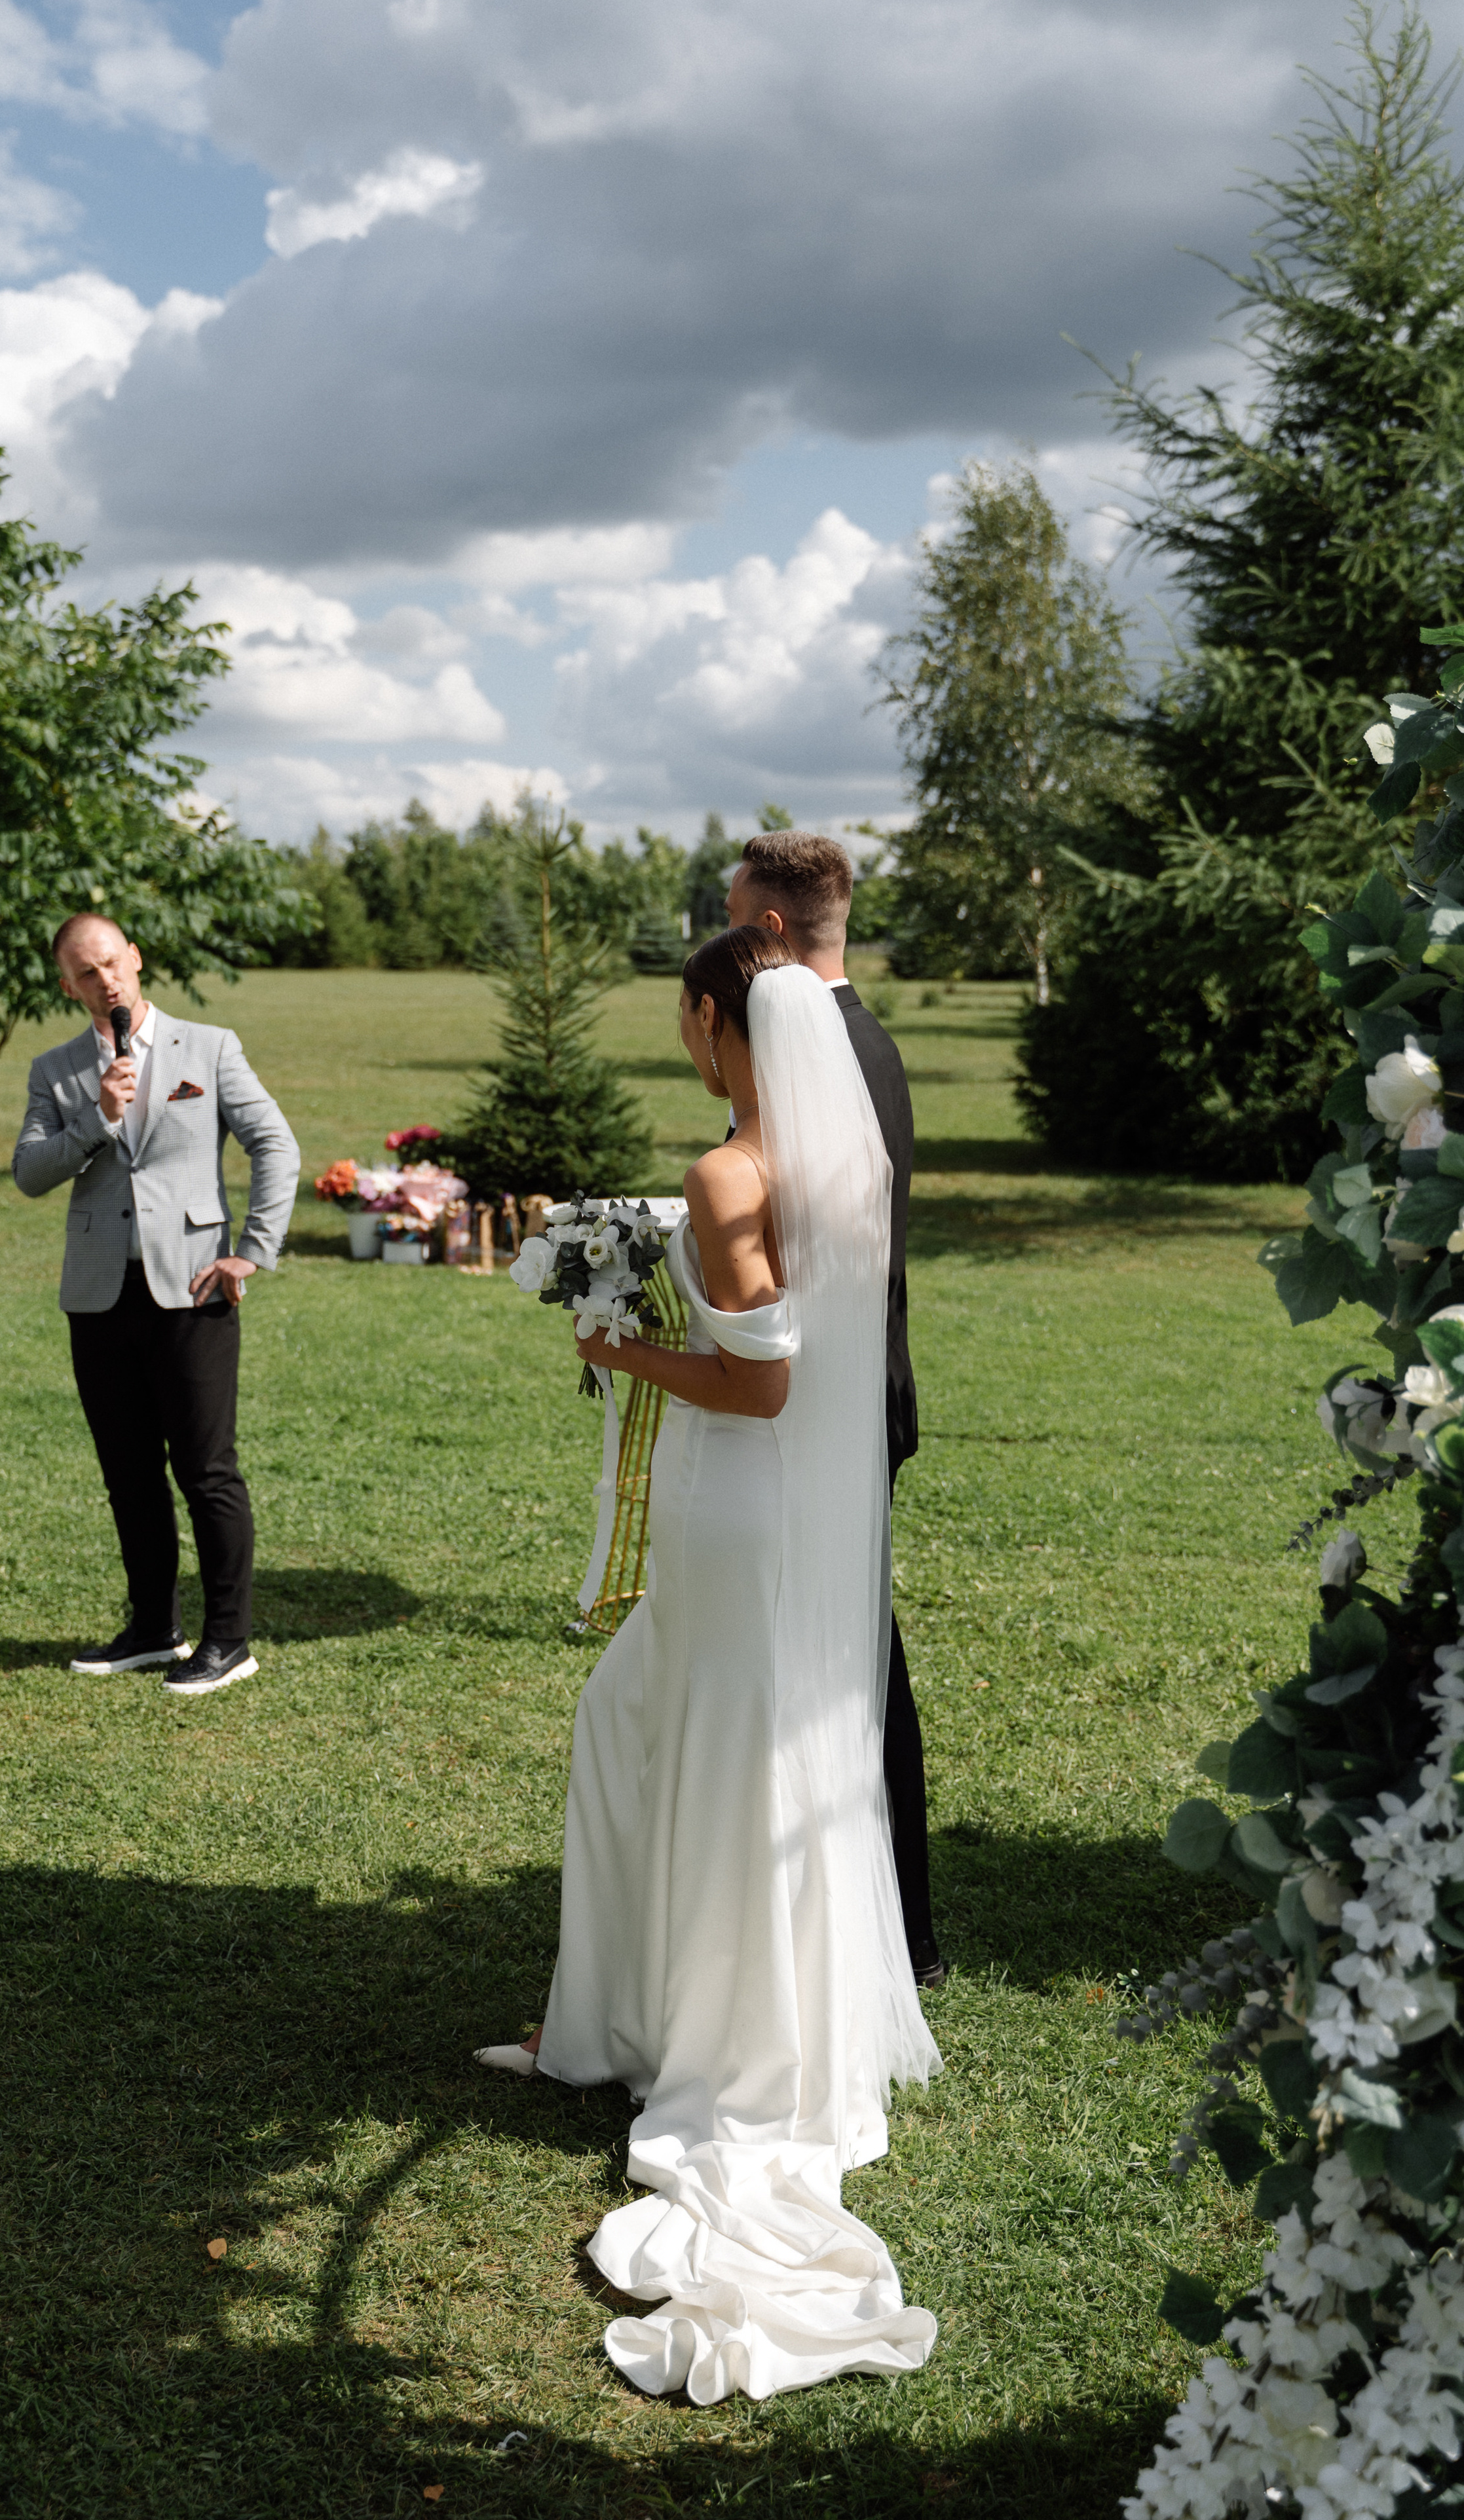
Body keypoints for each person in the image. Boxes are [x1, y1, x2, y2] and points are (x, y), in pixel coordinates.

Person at [477, 927, 941, 2402]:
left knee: (699, 1747)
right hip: (771, 1522)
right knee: (651, 1726)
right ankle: (629, 2011)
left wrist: (622, 1351)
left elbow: (762, 1380)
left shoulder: (726, 1174)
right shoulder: (824, 1156)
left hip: (735, 1504)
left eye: (680, 1015)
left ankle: (700, 2049)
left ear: (706, 1017)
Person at [724, 832, 943, 1988]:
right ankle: (873, 1917)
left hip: (829, 1401)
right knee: (850, 1646)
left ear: (768, 931)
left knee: (852, 1655)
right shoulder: (865, 1041)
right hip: (850, 1388)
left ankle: (896, 1925)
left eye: (729, 920)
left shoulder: (826, 1052)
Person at [12, 914, 301, 1697]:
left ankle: (229, 1639)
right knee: (128, 1470)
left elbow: (274, 1143)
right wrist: (97, 1119)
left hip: (194, 1287)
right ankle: (152, 1628)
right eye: (85, 971)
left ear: (135, 960)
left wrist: (255, 1246)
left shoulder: (208, 1046)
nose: (104, 980)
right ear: (67, 986)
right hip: (99, 1296)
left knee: (207, 1470)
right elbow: (30, 1172)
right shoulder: (57, 1070)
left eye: (112, 962)